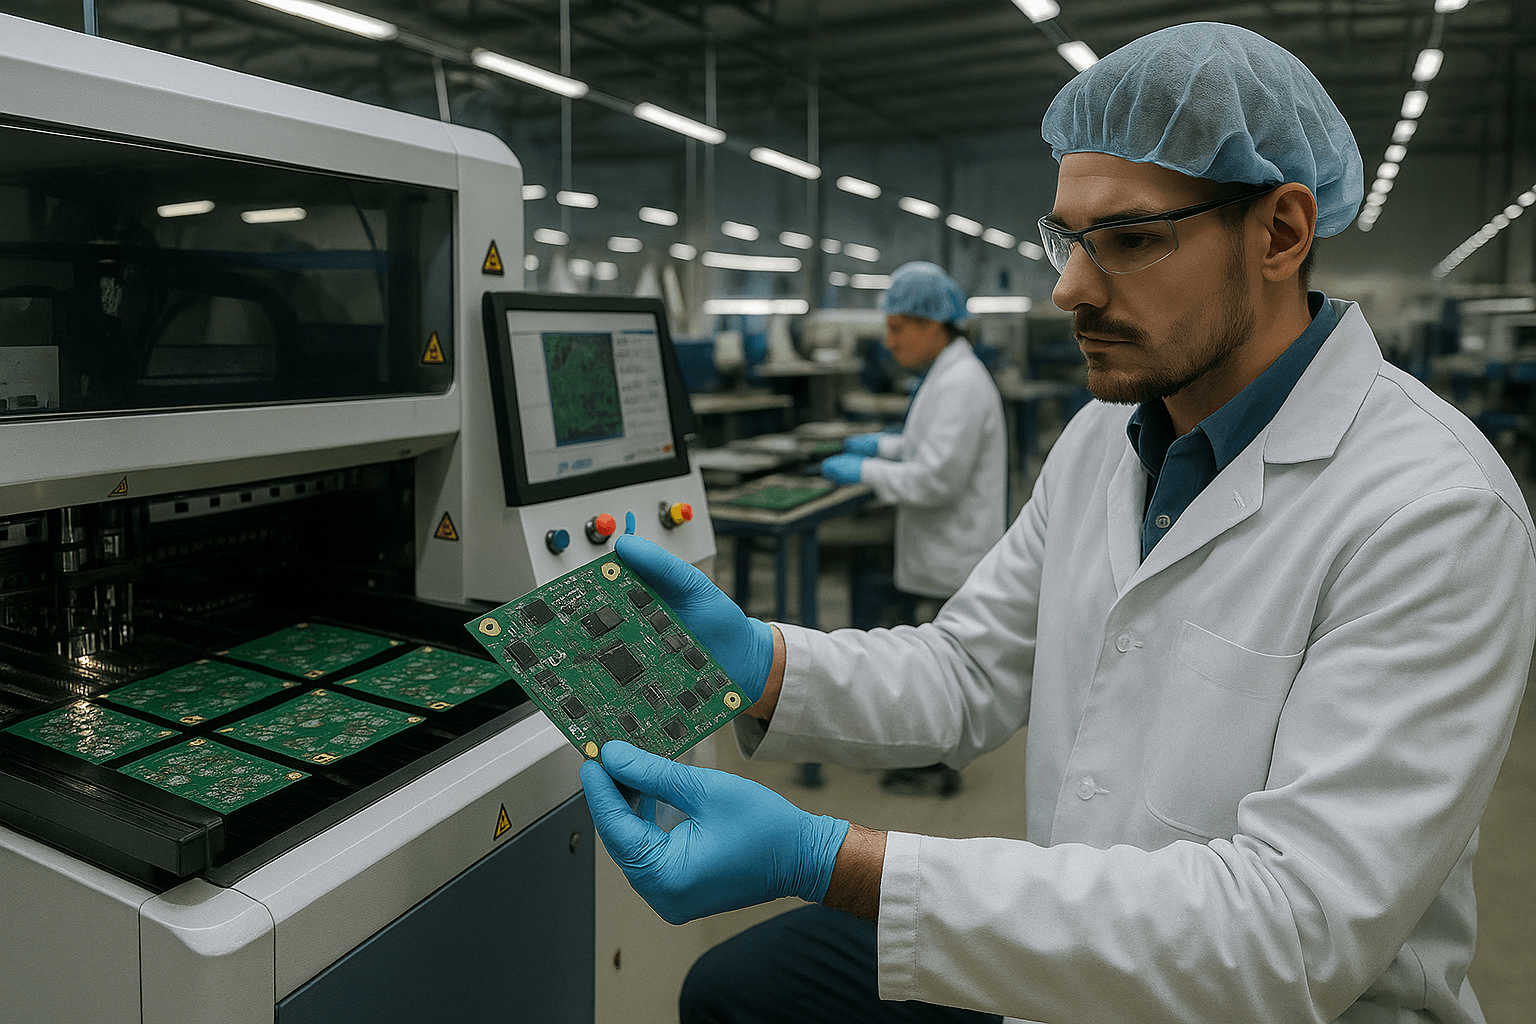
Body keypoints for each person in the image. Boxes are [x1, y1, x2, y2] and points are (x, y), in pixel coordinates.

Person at [580, 22, 1536, 1024]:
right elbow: (967, 669)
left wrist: (833, 859)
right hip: (1068, 956)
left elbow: (1290, 934)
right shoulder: (1102, 441)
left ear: (1281, 234)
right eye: (1065, 240)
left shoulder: (1432, 511)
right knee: (738, 988)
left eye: (1128, 239)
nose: (1067, 288)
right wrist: (767, 663)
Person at [821, 260, 1008, 796]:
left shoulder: (959, 384)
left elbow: (936, 479)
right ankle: (927, 754)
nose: (888, 341)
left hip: (952, 550)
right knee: (932, 656)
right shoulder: (946, 374)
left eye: (898, 328)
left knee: (940, 666)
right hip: (940, 546)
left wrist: (866, 472)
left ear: (932, 324)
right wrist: (878, 445)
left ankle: (935, 766)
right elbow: (923, 446)